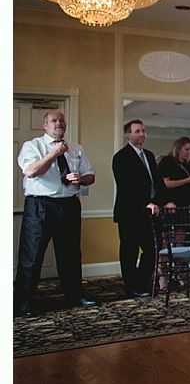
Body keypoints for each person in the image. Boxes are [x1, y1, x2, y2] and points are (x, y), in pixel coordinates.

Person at [14, 110, 97, 317]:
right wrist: (54, 154)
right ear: (45, 126)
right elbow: (31, 171)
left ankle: (74, 296)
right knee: (32, 257)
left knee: (70, 254)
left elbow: (90, 175)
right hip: (40, 206)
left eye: (61, 120)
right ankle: (23, 304)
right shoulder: (33, 146)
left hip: (68, 205)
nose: (58, 123)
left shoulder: (76, 148)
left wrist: (82, 179)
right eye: (54, 120)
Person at [113, 119, 174, 298]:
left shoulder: (148, 155)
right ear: (128, 134)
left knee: (153, 249)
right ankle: (132, 286)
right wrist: (144, 204)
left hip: (151, 213)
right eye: (138, 131)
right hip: (130, 213)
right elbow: (126, 187)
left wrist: (166, 201)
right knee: (130, 251)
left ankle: (140, 282)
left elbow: (157, 182)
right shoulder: (121, 157)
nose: (142, 134)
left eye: (143, 131)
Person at [158, 136, 190, 208]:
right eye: (186, 150)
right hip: (174, 202)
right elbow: (166, 183)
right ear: (178, 149)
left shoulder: (187, 164)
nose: (189, 152)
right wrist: (187, 180)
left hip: (189, 202)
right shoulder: (167, 161)